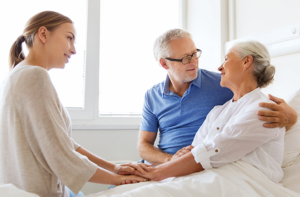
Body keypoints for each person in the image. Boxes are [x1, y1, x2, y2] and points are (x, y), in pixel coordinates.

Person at [0, 11, 151, 197]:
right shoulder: (34, 76)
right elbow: (58, 152)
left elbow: (60, 141)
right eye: (69, 38)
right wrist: (116, 179)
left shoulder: (15, 75)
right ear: (43, 34)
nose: (74, 49)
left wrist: (114, 168)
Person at [138, 29, 298, 166]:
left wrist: (292, 118)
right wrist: (170, 161)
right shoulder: (152, 96)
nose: (194, 62)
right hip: (164, 164)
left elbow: (254, 100)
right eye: (186, 58)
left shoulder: (223, 83)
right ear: (164, 64)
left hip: (195, 165)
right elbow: (143, 146)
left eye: (195, 54)